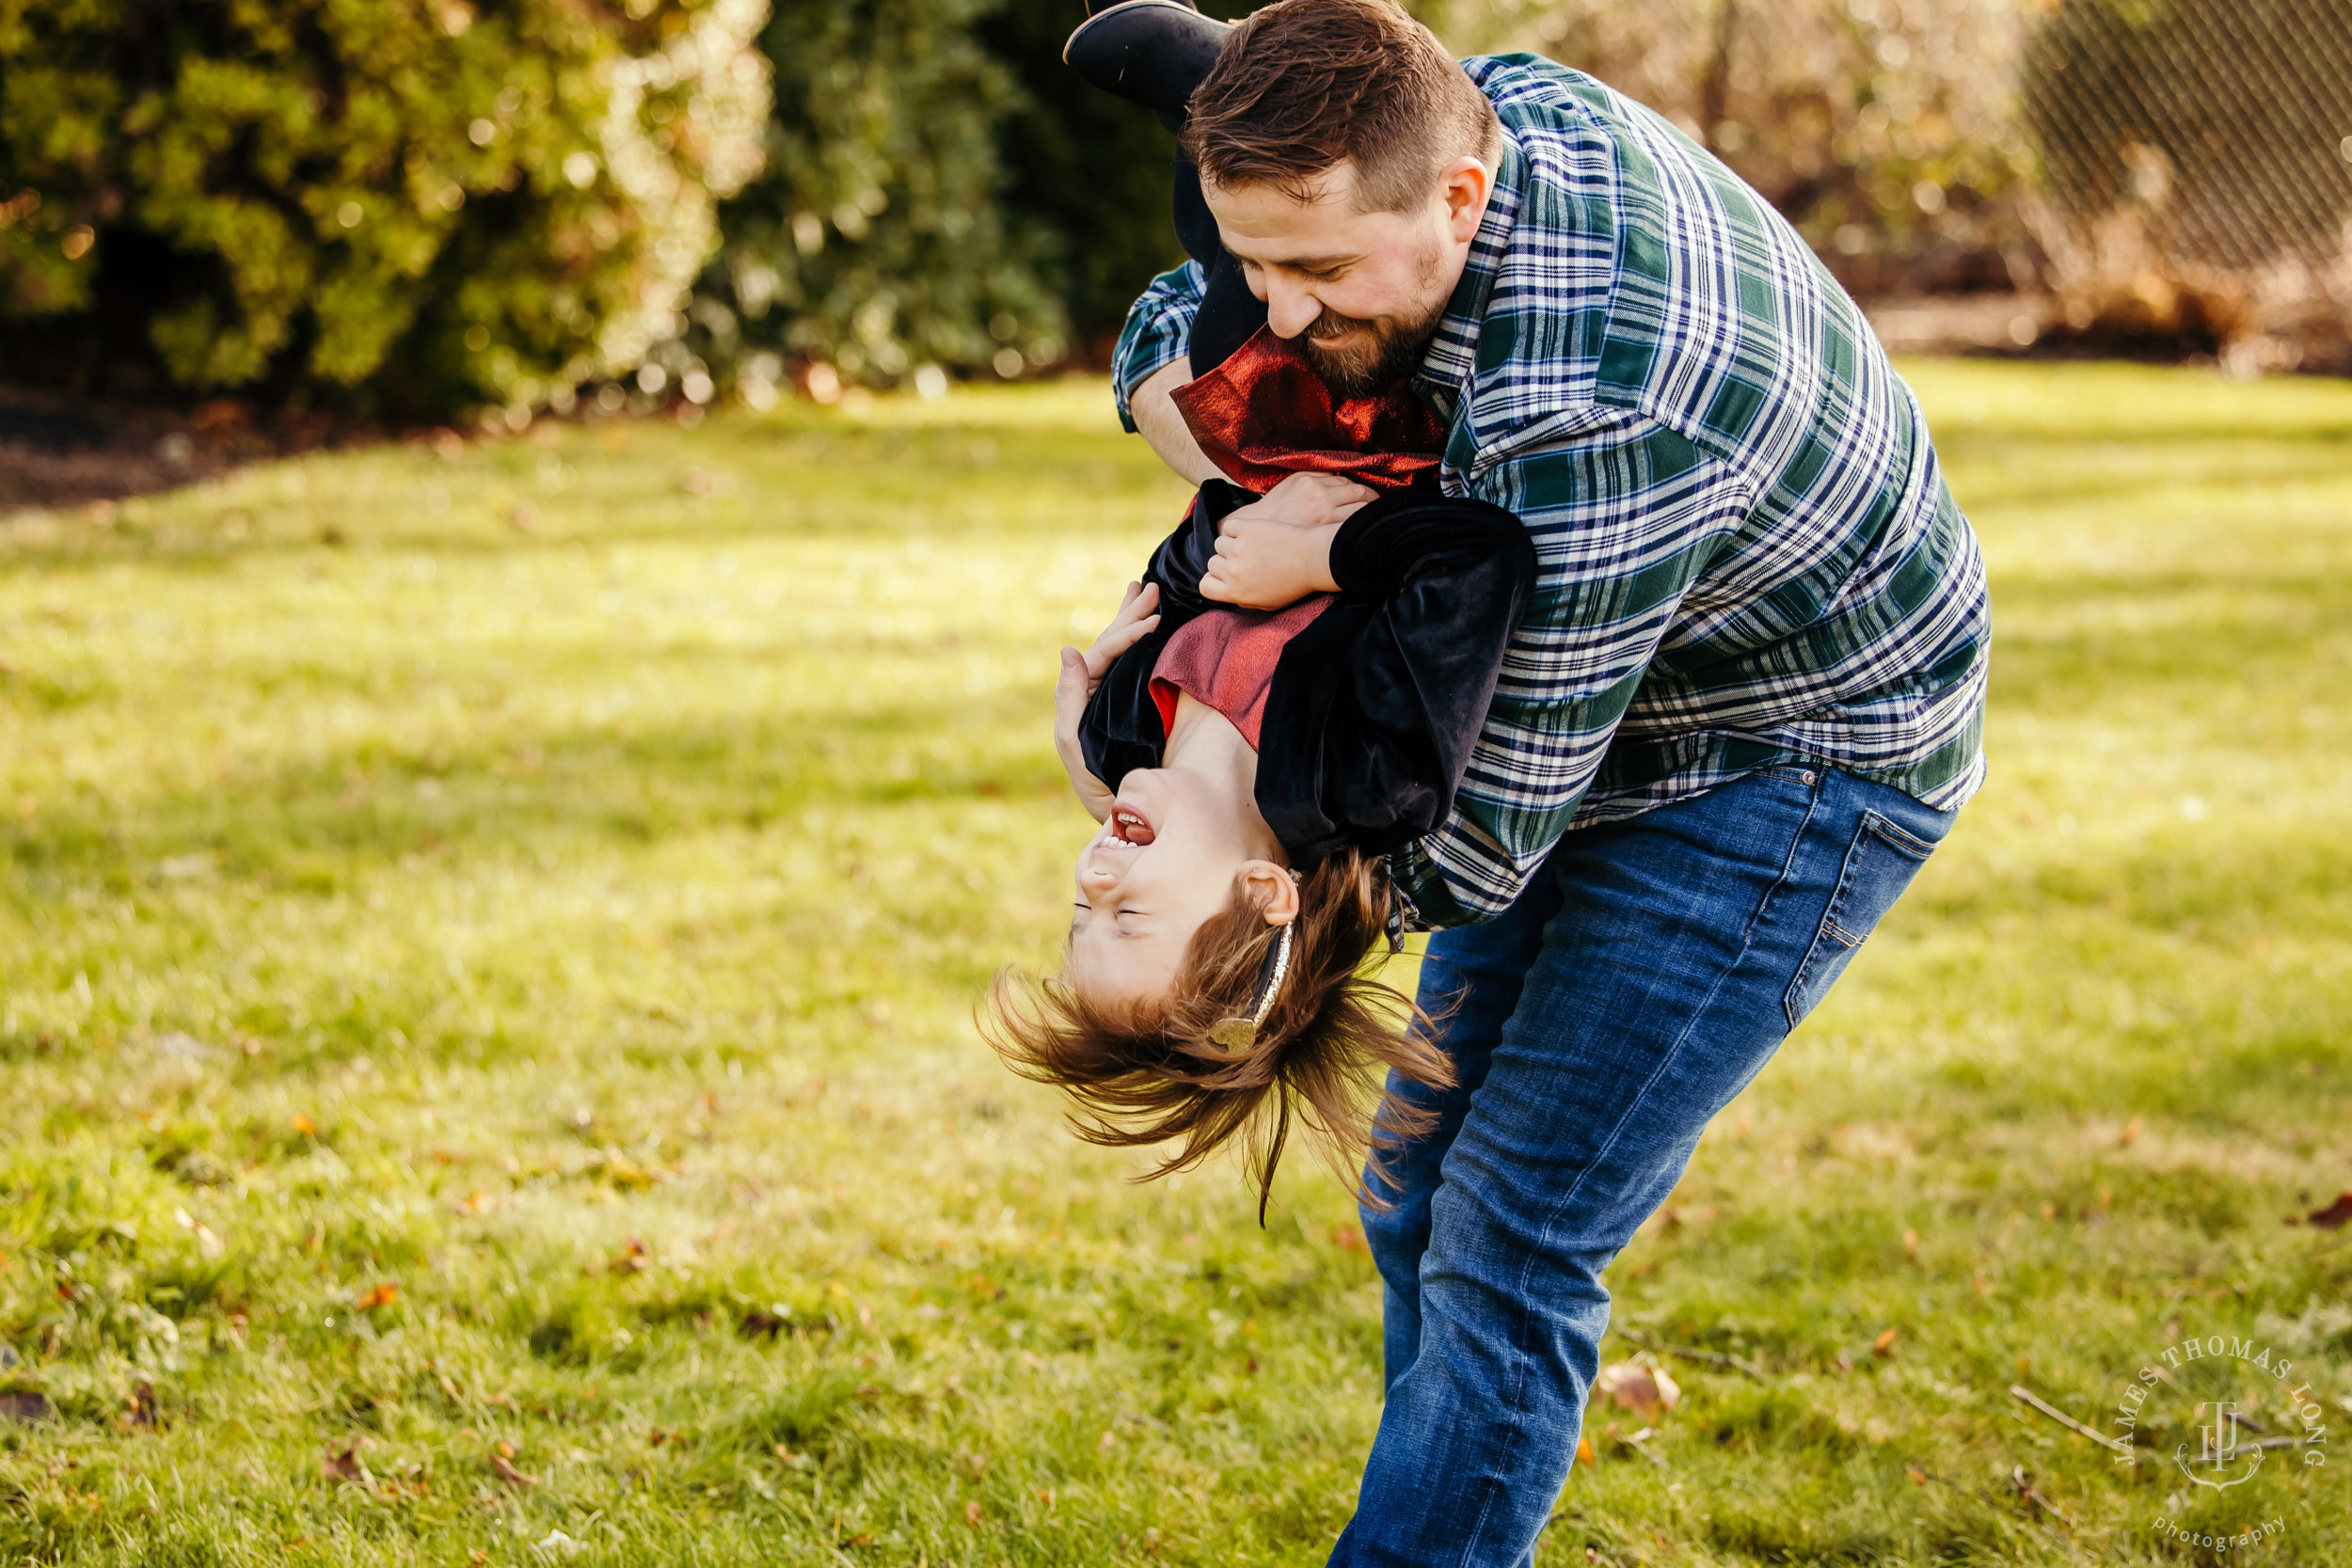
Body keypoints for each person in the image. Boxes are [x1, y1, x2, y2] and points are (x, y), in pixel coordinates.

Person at [1073, 1, 1992, 1563]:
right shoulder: (1465, 108)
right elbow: (1200, 328)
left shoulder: (1589, 404)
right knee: (1412, 1189)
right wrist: (1202, 436)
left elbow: (1479, 837)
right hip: (1600, 666)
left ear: (1458, 201)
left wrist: (1261, 850)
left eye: (1321, 272)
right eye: (1263, 258)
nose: (1282, 312)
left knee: (1509, 1230)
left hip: (1794, 750)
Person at [990, 319, 1538, 1221]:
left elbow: (1195, 537)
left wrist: (1230, 542)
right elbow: (1481, 560)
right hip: (1416, 379)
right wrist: (1320, 555)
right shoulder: (1366, 777)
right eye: (1129, 912)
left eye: (1083, 909)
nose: (1092, 874)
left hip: (1271, 379)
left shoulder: (1122, 730)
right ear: (1264, 892)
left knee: (1216, 263)